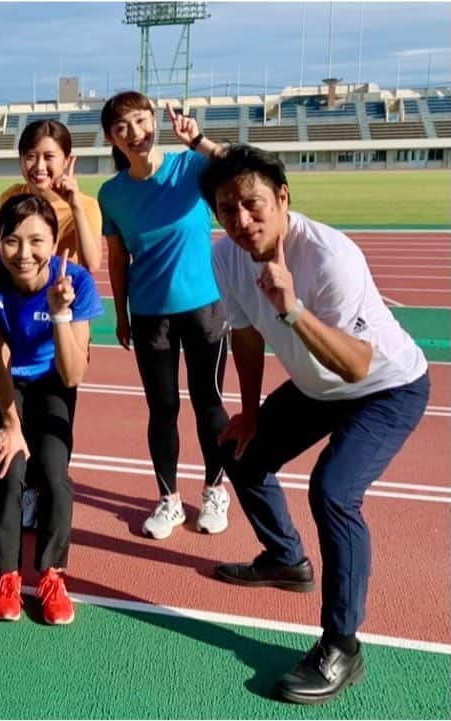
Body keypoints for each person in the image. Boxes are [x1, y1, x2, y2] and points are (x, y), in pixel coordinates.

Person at [200, 145, 429, 704]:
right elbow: (247, 336)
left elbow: (355, 364)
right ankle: (285, 559)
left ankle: (342, 646)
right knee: (239, 452)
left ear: (283, 198)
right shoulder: (226, 256)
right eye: (226, 211)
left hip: (386, 388)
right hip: (316, 388)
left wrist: (292, 308)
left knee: (334, 491)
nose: (241, 221)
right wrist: (250, 413)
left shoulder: (330, 257)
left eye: (252, 205)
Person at [0, 193, 104, 625]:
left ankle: (52, 575)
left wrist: (60, 315)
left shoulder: (75, 282)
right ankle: (6, 574)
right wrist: (11, 424)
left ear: (54, 241)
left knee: (54, 474)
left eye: (36, 241)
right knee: (11, 468)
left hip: (52, 379)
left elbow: (74, 372)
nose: (24, 254)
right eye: (12, 240)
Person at [98, 93, 231, 540]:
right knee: (163, 408)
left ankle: (215, 489)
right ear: (111, 138)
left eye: (140, 121)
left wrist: (200, 142)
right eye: (122, 128)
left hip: (205, 309)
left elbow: (243, 168)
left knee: (208, 402)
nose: (134, 134)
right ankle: (169, 500)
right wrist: (121, 314)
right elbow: (117, 260)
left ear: (155, 120)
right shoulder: (112, 194)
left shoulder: (191, 168)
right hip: (150, 314)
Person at [0, 119, 103, 528]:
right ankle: (28, 488)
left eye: (48, 157)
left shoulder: (86, 203)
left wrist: (74, 202)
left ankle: (47, 485)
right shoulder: (12, 196)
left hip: (64, 318)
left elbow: (93, 265)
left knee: (56, 416)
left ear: (67, 160)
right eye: (30, 157)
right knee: (21, 413)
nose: (38, 166)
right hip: (23, 316)